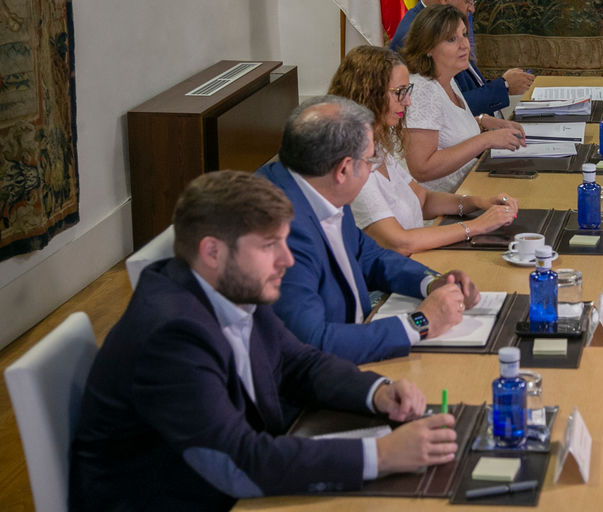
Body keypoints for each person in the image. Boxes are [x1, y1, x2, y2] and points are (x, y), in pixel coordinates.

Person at [69, 171, 458, 511]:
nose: (287, 260)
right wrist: (381, 455)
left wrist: (377, 393)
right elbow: (236, 462)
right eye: (269, 245)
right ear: (212, 251)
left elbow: (297, 362)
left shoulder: (227, 285)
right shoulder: (171, 335)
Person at [257, 95, 480, 364]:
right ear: (343, 169)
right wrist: (420, 323)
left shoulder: (317, 182)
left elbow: (369, 256)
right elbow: (313, 343)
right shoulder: (281, 230)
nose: (372, 168)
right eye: (369, 160)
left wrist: (432, 282)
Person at [328, 45, 520, 254]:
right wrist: (476, 226)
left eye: (407, 91)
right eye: (400, 92)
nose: (408, 101)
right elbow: (400, 243)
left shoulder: (377, 146)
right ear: (367, 94)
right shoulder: (351, 164)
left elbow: (424, 199)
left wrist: (476, 202)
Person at [402, 4, 526, 192]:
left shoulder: (448, 80)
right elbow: (422, 169)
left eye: (464, 35)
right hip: (441, 204)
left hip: (469, 187)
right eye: (451, 39)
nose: (464, 45)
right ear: (428, 47)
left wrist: (484, 121)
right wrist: (487, 140)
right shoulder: (422, 91)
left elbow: (445, 129)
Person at [390, 0, 534, 115]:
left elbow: (460, 90)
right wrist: (504, 86)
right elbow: (444, 107)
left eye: (464, 35)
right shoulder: (416, 33)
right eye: (468, 1)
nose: (472, 9)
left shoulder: (446, 25)